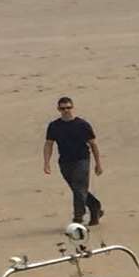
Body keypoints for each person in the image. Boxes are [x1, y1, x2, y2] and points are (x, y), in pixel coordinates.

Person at [44, 96, 104, 226]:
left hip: (82, 160)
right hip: (65, 162)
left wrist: (98, 164)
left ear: (72, 108)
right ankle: (95, 206)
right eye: (63, 108)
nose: (66, 110)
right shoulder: (54, 126)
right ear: (58, 109)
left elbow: (93, 144)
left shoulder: (82, 125)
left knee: (79, 187)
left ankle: (78, 218)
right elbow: (49, 144)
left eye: (68, 108)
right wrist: (46, 163)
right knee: (78, 189)